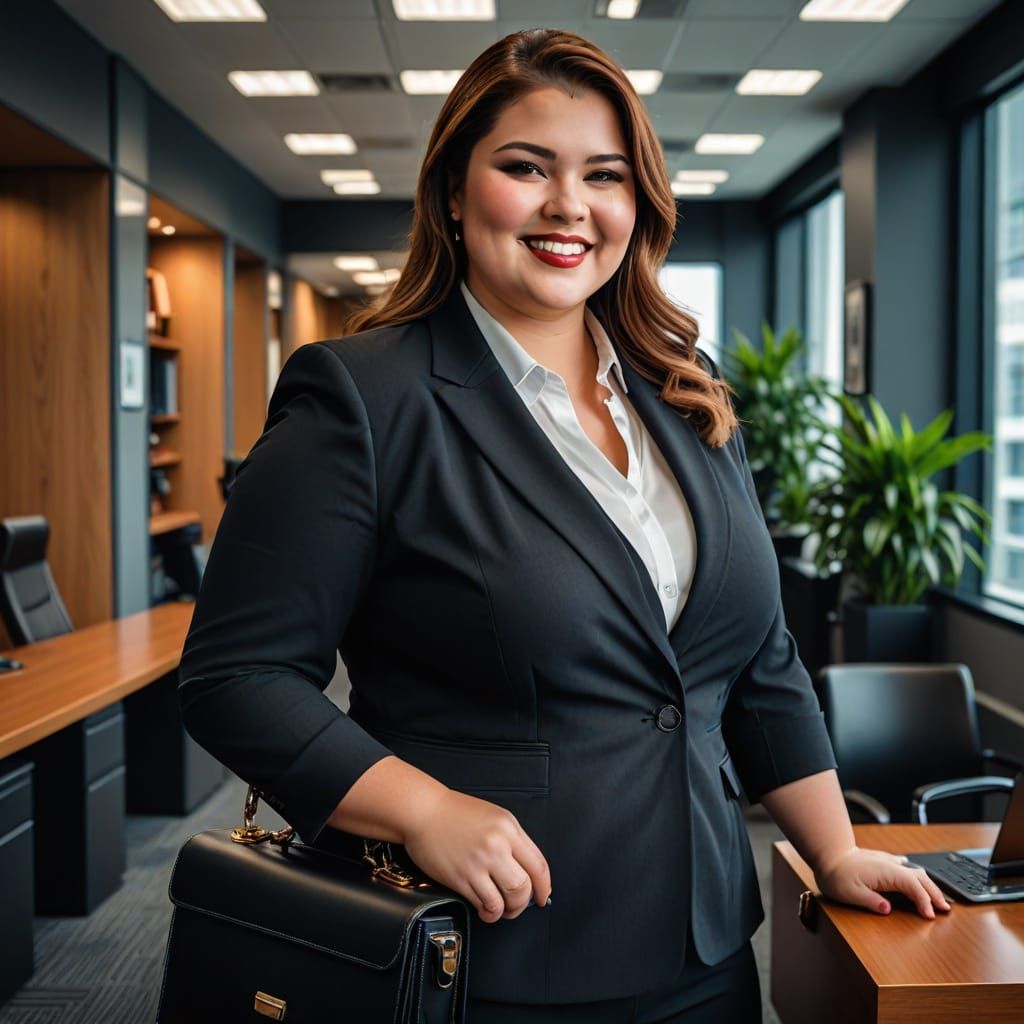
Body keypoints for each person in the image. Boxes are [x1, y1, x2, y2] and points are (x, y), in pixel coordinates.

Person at [179, 27, 950, 1023]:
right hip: (486, 955)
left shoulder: (688, 405)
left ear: (638, 204)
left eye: (603, 175)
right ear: (454, 190)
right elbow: (235, 678)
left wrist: (835, 849)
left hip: (705, 950)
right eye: (525, 167)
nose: (567, 206)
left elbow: (758, 661)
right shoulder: (365, 400)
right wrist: (423, 809)